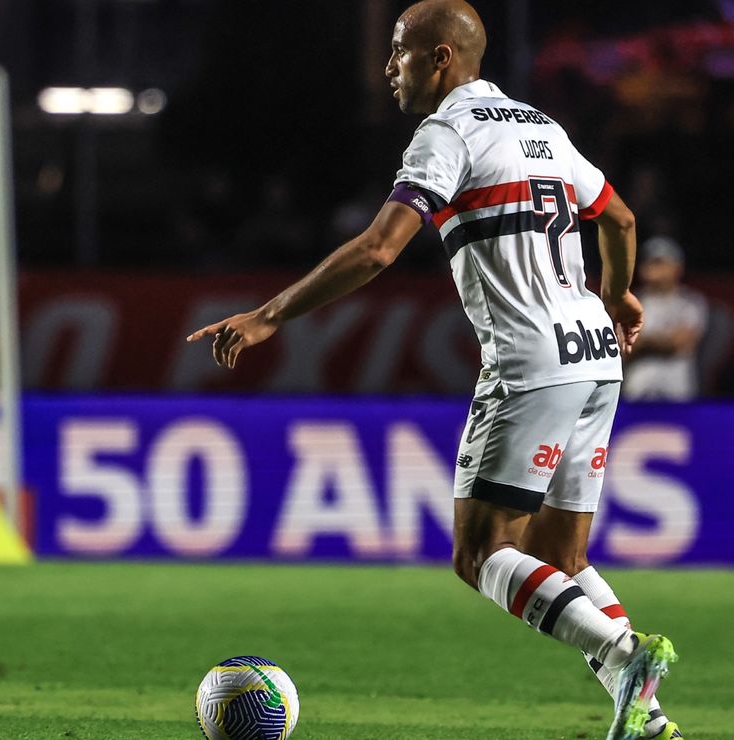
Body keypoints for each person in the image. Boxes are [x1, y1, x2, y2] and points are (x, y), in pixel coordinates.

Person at [186, 2, 682, 738]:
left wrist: (269, 315)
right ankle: (648, 716)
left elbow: (379, 248)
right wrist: (613, 297)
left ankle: (624, 651)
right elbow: (620, 219)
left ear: (442, 58)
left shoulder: (447, 132)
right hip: (594, 355)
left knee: (482, 553)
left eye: (401, 52)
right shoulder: (542, 126)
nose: (391, 67)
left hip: (532, 360)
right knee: (562, 556)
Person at [622, 235, 708, 400]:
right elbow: (624, 349)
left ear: (677, 267)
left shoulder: (690, 302)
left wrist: (644, 342)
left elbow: (679, 344)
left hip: (677, 392)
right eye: (650, 262)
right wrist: (661, 340)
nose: (654, 268)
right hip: (637, 389)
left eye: (661, 262)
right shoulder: (630, 303)